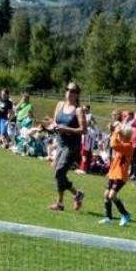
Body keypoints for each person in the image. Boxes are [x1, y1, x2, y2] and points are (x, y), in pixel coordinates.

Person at [47, 82, 87, 212]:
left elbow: (84, 130)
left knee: (59, 172)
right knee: (58, 174)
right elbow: (55, 122)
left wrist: (67, 129)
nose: (69, 92)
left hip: (72, 146)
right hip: (61, 143)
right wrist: (52, 127)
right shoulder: (60, 105)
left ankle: (60, 203)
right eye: (67, 89)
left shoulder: (78, 110)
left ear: (77, 94)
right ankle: (77, 194)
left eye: (73, 90)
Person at [99, 123, 134, 227]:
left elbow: (113, 144)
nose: (119, 135)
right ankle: (108, 217)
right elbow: (114, 141)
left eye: (120, 134)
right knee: (106, 195)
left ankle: (125, 214)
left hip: (120, 176)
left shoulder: (128, 146)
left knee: (112, 195)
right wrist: (114, 130)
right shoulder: (123, 143)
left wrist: (116, 132)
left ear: (125, 136)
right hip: (113, 174)